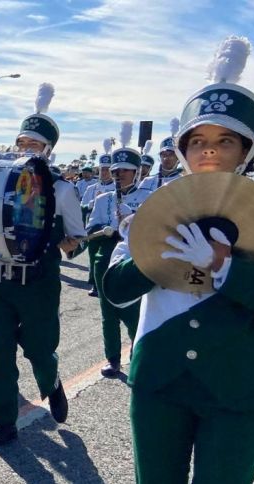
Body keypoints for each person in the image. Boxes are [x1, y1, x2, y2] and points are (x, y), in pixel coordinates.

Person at [103, 36, 254, 484]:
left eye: (226, 141)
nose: (209, 150)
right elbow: (116, 289)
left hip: (238, 388)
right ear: (183, 148)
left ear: (249, 151)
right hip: (160, 383)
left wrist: (226, 268)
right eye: (197, 141)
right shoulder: (154, 208)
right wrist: (155, 248)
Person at [0, 83, 84, 447]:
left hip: (40, 280)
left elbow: (77, 237)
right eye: (21, 143)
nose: (25, 150)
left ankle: (51, 381)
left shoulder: (63, 189)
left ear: (48, 151)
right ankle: (2, 421)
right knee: (1, 352)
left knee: (39, 348)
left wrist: (57, 245)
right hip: (0, 279)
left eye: (33, 145)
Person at [85, 122, 146, 378]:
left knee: (133, 312)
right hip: (104, 256)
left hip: (134, 258)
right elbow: (89, 232)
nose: (120, 174)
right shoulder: (102, 199)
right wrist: (105, 230)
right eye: (116, 169)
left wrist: (133, 219)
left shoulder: (148, 198)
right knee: (107, 313)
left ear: (136, 173)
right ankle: (113, 359)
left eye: (125, 170)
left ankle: (138, 352)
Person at [81, 144, 116, 296]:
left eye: (108, 169)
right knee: (93, 256)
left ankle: (107, 284)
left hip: (111, 229)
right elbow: (82, 206)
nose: (104, 172)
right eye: (102, 169)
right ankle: (94, 284)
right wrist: (92, 203)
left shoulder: (117, 187)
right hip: (94, 227)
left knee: (109, 257)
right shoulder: (91, 188)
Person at [136, 118, 185, 195]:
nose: (166, 158)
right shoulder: (148, 182)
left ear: (178, 158)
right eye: (164, 155)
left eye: (171, 155)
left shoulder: (184, 181)